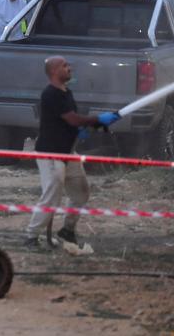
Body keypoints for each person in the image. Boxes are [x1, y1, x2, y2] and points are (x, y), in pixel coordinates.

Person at [24, 56, 121, 248]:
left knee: (81, 193)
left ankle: (67, 231)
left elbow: (70, 122)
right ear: (53, 71)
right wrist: (97, 120)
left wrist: (84, 129)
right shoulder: (50, 94)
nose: (69, 68)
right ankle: (31, 236)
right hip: (50, 154)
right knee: (51, 195)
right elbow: (73, 119)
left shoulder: (66, 93)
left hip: (68, 152)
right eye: (64, 66)